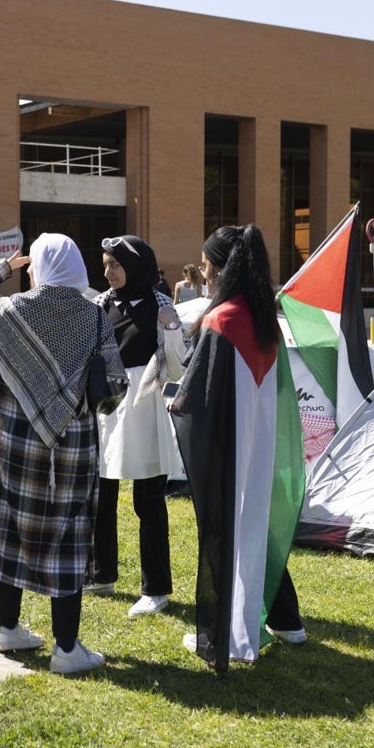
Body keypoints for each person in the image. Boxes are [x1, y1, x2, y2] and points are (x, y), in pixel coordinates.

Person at [0, 233, 127, 675]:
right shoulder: (94, 317)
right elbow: (115, 387)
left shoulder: (4, 313)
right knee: (65, 536)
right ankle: (66, 649)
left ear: (39, 267)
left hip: (7, 450)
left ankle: (7, 628)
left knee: (10, 525)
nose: (26, 273)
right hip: (67, 455)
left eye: (30, 268)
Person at [168, 224, 306, 673]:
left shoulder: (220, 319)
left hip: (228, 447)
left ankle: (224, 637)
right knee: (252, 530)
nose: (203, 276)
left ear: (223, 269)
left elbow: (196, 396)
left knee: (226, 535)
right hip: (260, 444)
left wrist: (173, 400)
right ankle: (270, 622)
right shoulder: (260, 313)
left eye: (207, 268)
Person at [88, 236, 187, 617]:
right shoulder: (101, 305)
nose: (107, 272)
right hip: (107, 410)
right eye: (105, 264)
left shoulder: (161, 304)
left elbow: (177, 368)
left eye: (114, 264)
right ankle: (101, 573)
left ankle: (156, 588)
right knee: (101, 497)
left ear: (135, 266)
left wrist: (174, 327)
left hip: (145, 410)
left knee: (149, 502)